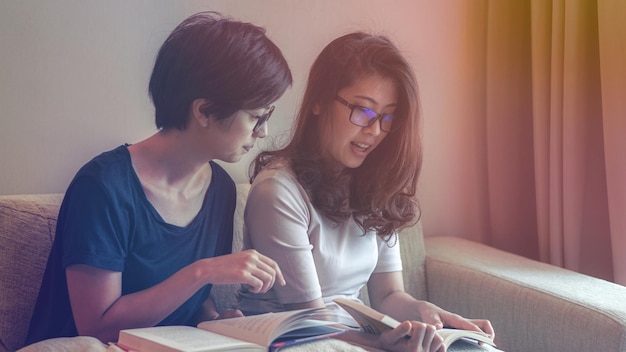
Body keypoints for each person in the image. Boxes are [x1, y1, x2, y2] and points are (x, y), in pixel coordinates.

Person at [24, 11, 291, 346]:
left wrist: (216, 323)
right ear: (204, 110)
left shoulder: (220, 189)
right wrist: (202, 271)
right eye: (256, 116)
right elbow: (96, 327)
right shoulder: (104, 187)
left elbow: (191, 304)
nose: (263, 132)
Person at [238, 32, 495, 352]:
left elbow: (388, 295)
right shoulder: (278, 190)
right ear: (318, 100)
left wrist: (429, 314)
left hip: (354, 337)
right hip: (295, 339)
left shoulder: (374, 183)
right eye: (362, 110)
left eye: (387, 117)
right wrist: (383, 343)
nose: (374, 131)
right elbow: (307, 316)